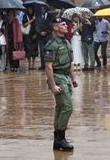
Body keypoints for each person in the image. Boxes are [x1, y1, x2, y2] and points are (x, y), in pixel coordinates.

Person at [44, 17, 78, 151]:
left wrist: (73, 78)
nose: (66, 26)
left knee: (60, 108)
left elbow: (69, 62)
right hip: (57, 77)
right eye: (63, 24)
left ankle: (57, 139)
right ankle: (61, 138)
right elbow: (48, 66)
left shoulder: (66, 42)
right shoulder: (51, 44)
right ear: (55, 28)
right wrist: (53, 85)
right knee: (68, 107)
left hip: (65, 77)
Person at [36, 6, 52, 70]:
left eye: (43, 9)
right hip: (40, 37)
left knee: (48, 51)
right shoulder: (38, 16)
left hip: (48, 36)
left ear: (45, 9)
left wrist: (46, 32)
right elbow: (36, 25)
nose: (42, 10)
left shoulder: (50, 16)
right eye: (41, 9)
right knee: (42, 51)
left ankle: (49, 65)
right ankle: (43, 65)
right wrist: (40, 32)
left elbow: (51, 26)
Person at [22, 6, 38, 70]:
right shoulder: (25, 16)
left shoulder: (36, 16)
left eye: (31, 9)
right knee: (28, 50)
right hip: (27, 35)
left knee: (34, 50)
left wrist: (36, 34)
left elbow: (38, 25)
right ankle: (29, 64)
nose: (30, 10)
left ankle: (33, 64)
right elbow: (24, 25)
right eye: (29, 9)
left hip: (34, 34)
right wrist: (32, 20)